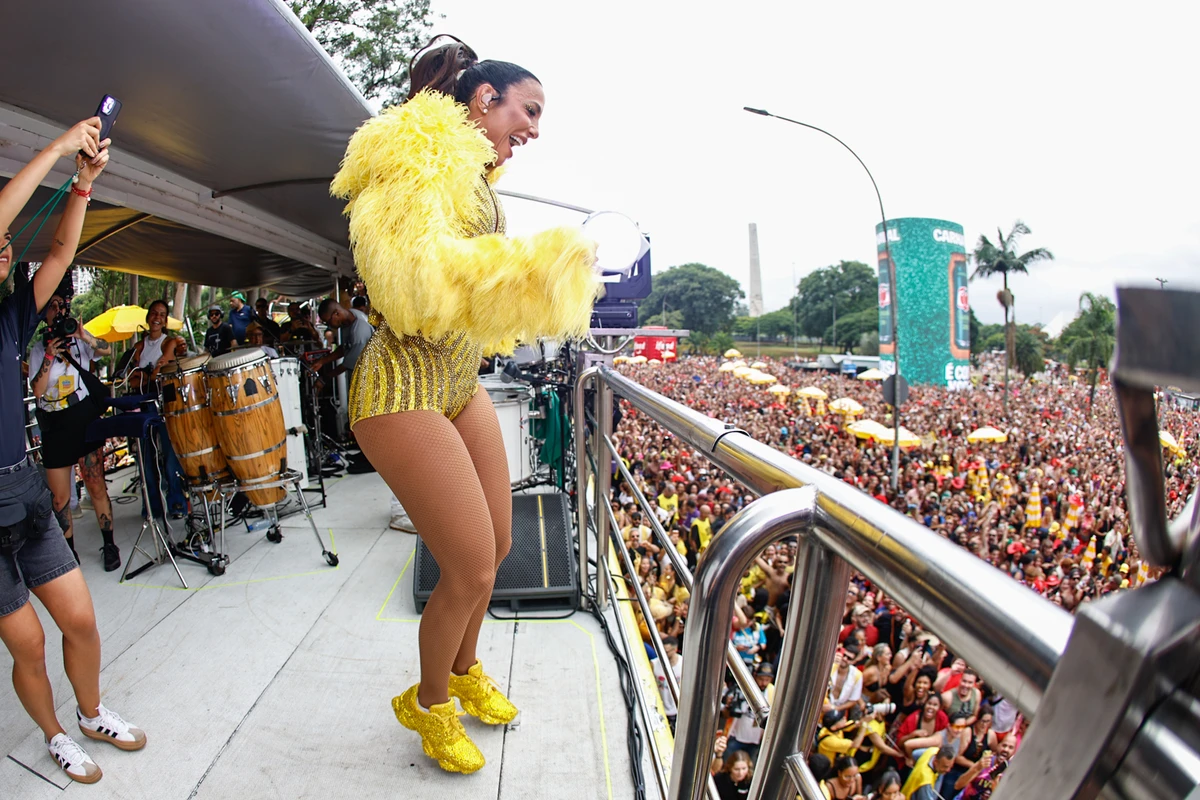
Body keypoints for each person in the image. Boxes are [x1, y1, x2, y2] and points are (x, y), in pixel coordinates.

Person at [330, 35, 600, 773]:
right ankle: (428, 703)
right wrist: (539, 262)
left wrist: (536, 275)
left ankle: (462, 667)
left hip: (455, 381)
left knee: (501, 548)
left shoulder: (471, 170)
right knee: (473, 568)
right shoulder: (420, 155)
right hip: (401, 389)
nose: (535, 130)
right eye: (530, 111)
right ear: (487, 99)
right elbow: (415, 278)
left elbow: (475, 295)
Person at [0, 117, 146, 785]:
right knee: (27, 643)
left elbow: (58, 256)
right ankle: (56, 735)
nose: (4, 250)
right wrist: (57, 147)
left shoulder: (8, 319)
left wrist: (82, 183)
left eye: (6, 246)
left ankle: (90, 713)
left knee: (80, 620)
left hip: (23, 491)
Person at [27, 282, 121, 570]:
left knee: (96, 485)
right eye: (51, 306)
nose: (58, 310)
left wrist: (83, 334)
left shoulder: (79, 341)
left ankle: (109, 544)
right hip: (55, 424)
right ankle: (69, 551)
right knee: (60, 498)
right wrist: (48, 357)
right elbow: (38, 390)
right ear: (45, 315)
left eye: (61, 304)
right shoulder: (38, 350)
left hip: (83, 416)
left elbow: (106, 350)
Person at [128, 299, 187, 519]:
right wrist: (147, 375)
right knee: (147, 459)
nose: (157, 318)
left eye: (162, 314)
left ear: (165, 320)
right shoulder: (139, 346)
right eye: (154, 313)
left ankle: (177, 503)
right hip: (144, 404)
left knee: (171, 457)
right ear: (148, 317)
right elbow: (132, 380)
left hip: (164, 404)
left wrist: (144, 375)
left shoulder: (169, 342)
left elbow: (154, 376)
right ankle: (152, 507)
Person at [314, 296, 374, 380]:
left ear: (337, 314)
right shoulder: (349, 318)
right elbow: (345, 348)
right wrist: (322, 361)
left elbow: (349, 364)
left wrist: (324, 379)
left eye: (328, 321)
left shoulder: (359, 330)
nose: (329, 325)